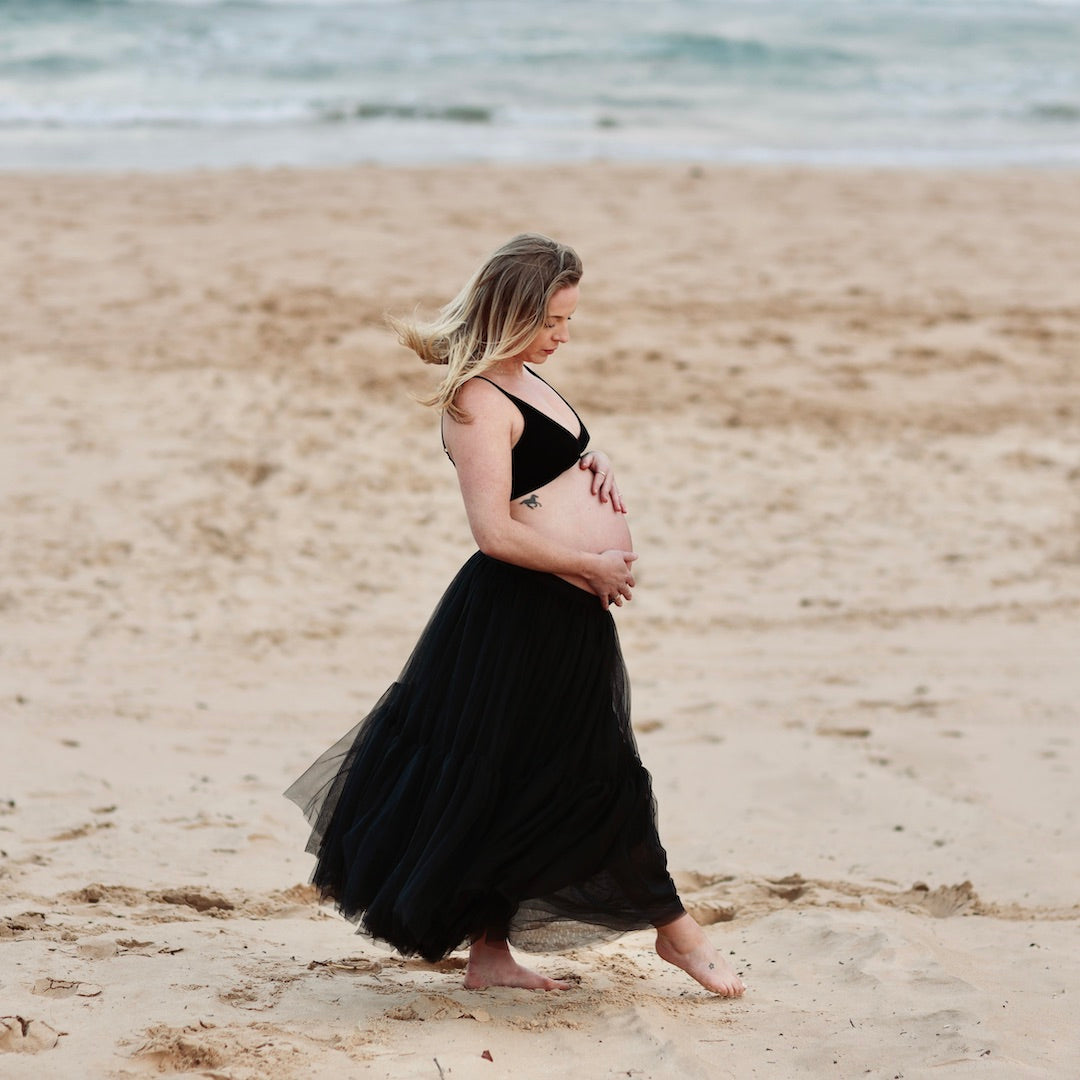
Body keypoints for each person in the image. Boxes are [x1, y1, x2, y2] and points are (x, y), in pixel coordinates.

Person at [285, 234, 745, 998]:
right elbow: (493, 532)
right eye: (553, 321)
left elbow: (545, 466)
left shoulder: (527, 379)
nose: (564, 336)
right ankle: (679, 934)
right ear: (513, 312)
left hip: (564, 614)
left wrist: (591, 462)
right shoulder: (474, 399)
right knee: (598, 774)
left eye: (568, 321)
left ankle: (490, 957)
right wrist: (588, 562)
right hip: (517, 615)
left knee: (518, 780)